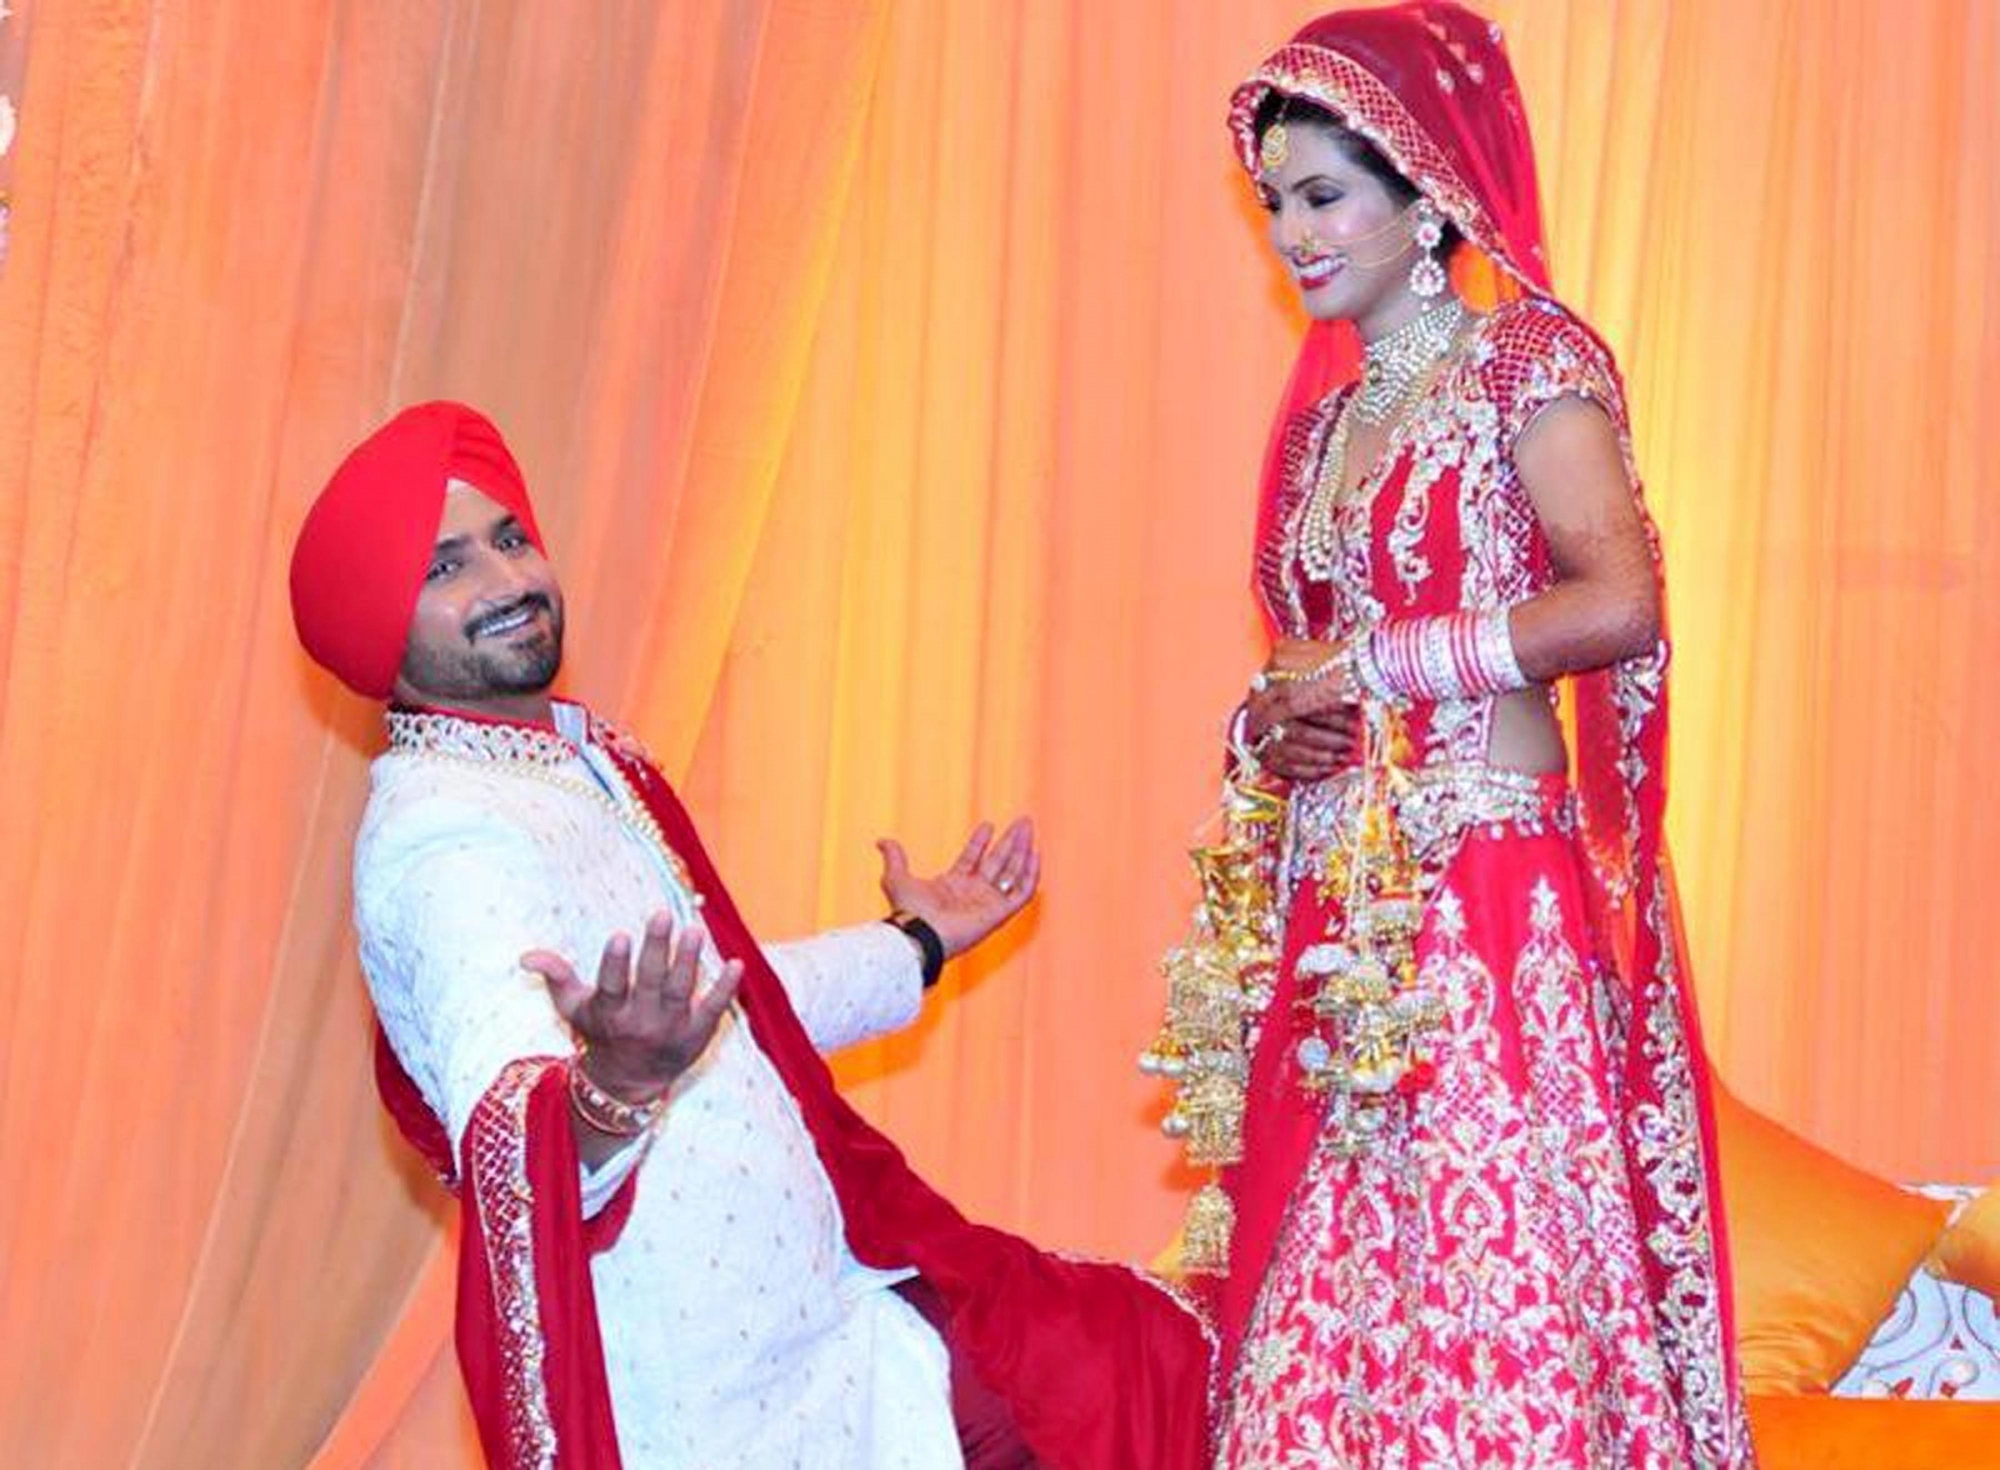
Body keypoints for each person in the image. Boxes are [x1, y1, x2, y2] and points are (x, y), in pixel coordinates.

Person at [287, 401, 1210, 1469]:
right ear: (374, 622)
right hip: (706, 1406)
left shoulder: (573, 765)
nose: (503, 584)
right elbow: (514, 1128)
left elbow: (727, 1005)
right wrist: (613, 1084)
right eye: (443, 569)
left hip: (838, 1331)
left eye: (507, 540)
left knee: (1138, 1368)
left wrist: (915, 941)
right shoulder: (443, 835)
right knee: (1138, 1377)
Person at [1142, 5, 1758, 1467]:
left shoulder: (1523, 361)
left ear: (1424, 193)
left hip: (1486, 894)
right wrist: (1272, 727)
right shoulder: (1322, 427)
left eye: (1323, 196)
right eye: (1276, 201)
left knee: (1491, 1274)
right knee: (1331, 1286)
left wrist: (1386, 658)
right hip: (1334, 899)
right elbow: (1303, 656)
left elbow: (1619, 599)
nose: (1292, 233)